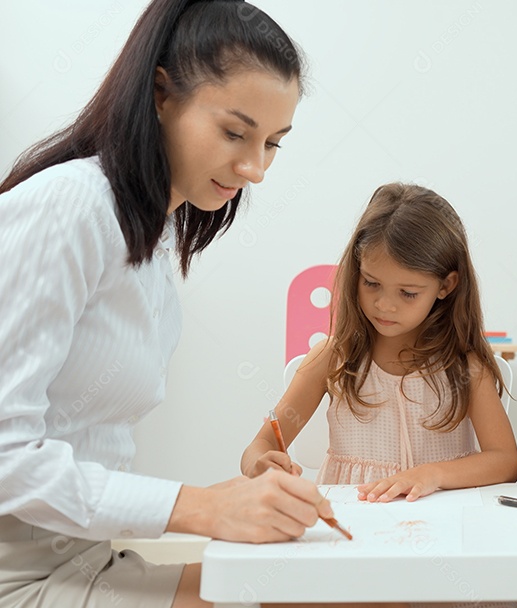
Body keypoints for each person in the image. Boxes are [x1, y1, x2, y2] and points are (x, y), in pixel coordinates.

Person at [0, 1, 337, 607]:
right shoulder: (72, 207)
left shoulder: (154, 240)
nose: (254, 168)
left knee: (323, 590)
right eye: (235, 132)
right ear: (161, 94)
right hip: (18, 577)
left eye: (272, 143)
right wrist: (205, 507)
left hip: (88, 556)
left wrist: (237, 498)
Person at [241, 183, 517, 505]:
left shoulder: (463, 368)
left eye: (408, 293)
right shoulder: (332, 358)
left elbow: (505, 462)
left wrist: (432, 474)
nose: (384, 305)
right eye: (371, 283)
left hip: (441, 522)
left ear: (446, 286)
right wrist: (260, 464)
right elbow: (260, 447)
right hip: (356, 524)